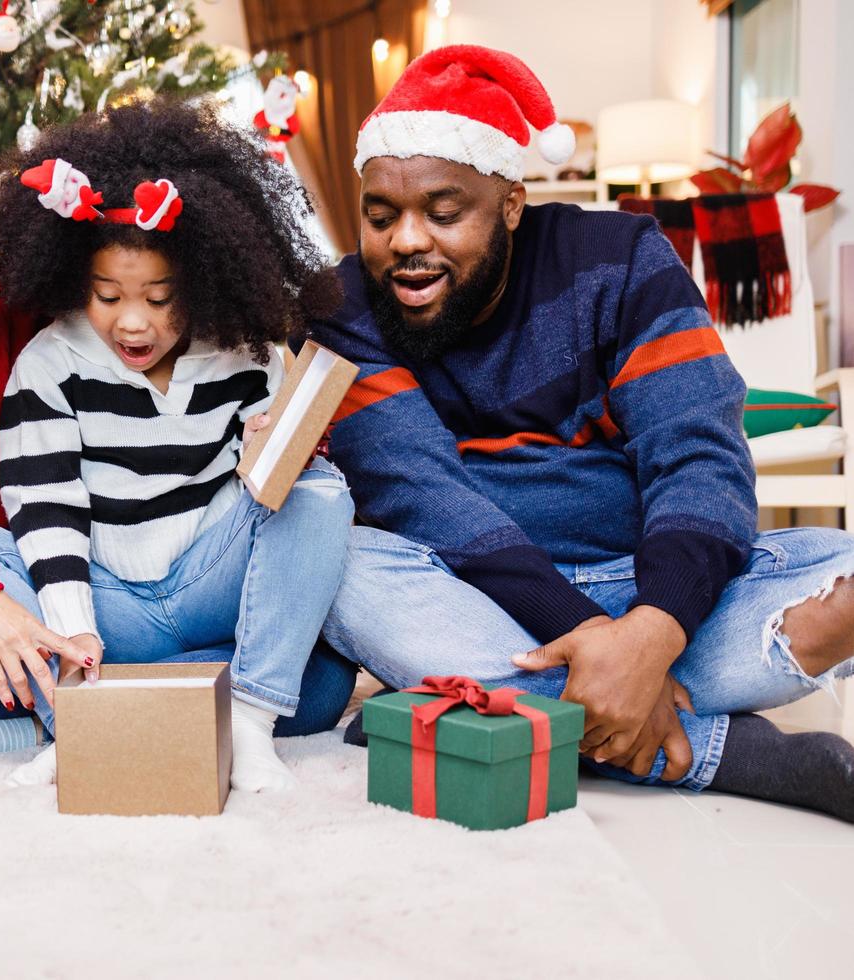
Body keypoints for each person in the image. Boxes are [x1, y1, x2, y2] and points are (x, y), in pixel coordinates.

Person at [314, 44, 854, 822]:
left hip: (639, 579)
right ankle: (714, 751)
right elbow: (425, 498)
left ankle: (468, 710)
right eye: (380, 216)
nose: (405, 241)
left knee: (829, 567)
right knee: (343, 564)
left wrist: (654, 628)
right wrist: (599, 645)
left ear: (509, 203)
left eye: (442, 212)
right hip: (474, 591)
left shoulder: (620, 260)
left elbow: (697, 454)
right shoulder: (346, 306)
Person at [0, 90, 359, 760]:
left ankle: (83, 715)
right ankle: (161, 704)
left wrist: (275, 429)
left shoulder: (38, 302)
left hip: (104, 591)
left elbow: (180, 335)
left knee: (319, 678)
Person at [0, 99, 354, 791]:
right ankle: (87, 719)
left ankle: (247, 715)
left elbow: (275, 497)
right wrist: (75, 635)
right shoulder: (51, 361)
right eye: (106, 295)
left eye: (160, 298)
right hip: (109, 601)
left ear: (206, 280)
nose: (132, 322)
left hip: (209, 578)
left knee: (323, 493)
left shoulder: (246, 356)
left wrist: (271, 461)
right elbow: (45, 504)